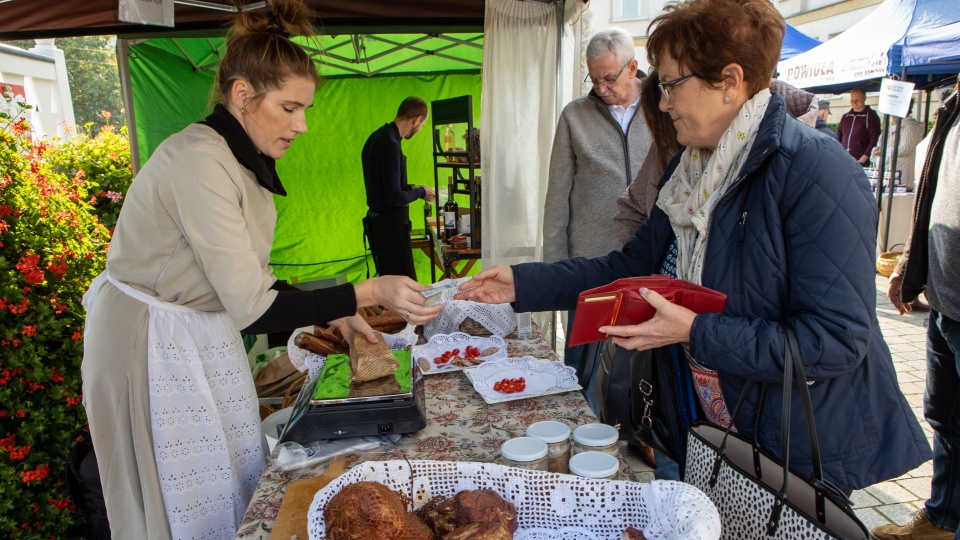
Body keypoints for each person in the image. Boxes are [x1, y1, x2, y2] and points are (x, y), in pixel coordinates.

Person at [457, 0, 931, 494]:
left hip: (791, 449)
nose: (661, 102)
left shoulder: (817, 172)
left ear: (729, 81)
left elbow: (835, 341)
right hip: (705, 427)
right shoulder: (692, 172)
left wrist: (696, 332)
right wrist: (523, 282)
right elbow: (630, 266)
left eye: (670, 84)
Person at [80, 2, 442, 538]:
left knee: (233, 475)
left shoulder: (236, 156)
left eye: (306, 109)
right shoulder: (199, 161)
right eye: (290, 108)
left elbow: (254, 279)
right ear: (243, 95)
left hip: (198, 328)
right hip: (151, 342)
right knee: (182, 494)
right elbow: (255, 307)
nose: (303, 126)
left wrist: (342, 315)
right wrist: (364, 289)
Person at [542, 27, 653, 410]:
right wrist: (556, 270)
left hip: (646, 260)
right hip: (589, 263)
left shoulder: (661, 108)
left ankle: (634, 435)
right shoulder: (575, 115)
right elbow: (557, 195)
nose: (601, 88)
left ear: (633, 68)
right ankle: (582, 430)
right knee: (583, 365)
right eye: (594, 78)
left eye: (609, 78)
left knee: (639, 363)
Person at [875, 80, 960, 540]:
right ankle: (943, 517)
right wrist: (910, 263)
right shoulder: (952, 108)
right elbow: (929, 193)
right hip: (945, 300)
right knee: (945, 416)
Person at [361, 97, 436, 281]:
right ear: (417, 119)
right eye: (422, 124)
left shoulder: (377, 137)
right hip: (390, 231)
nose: (419, 129)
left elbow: (384, 185)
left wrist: (412, 187)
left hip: (379, 226)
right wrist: (421, 193)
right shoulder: (391, 145)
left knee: (390, 288)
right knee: (404, 287)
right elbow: (393, 198)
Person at [872, 99, 925, 190]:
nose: (893, 114)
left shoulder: (910, 127)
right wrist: (876, 150)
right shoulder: (890, 127)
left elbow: (905, 148)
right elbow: (880, 144)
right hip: (888, 176)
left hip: (902, 178)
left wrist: (884, 152)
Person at [838, 87, 882, 166]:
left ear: (864, 98)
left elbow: (874, 139)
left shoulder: (871, 117)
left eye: (857, 100)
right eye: (852, 100)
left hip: (860, 161)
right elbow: (838, 136)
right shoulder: (845, 117)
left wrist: (864, 158)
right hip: (843, 160)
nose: (854, 102)